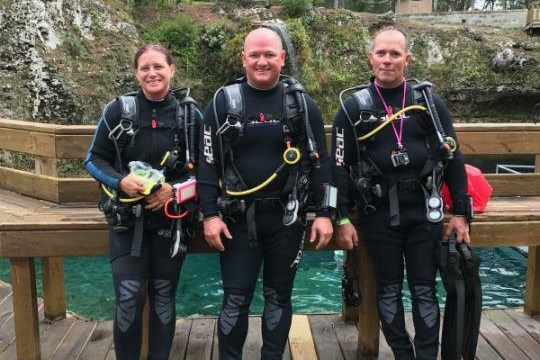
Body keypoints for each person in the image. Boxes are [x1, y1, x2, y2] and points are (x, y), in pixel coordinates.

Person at [331, 28, 471, 360]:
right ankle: (402, 354)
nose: (387, 60)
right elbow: (337, 167)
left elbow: (453, 157)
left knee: (424, 289)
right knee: (389, 288)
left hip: (423, 211)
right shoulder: (353, 108)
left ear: (406, 59)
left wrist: (462, 213)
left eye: (395, 54)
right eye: (381, 53)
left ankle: (425, 355)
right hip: (377, 213)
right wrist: (342, 218)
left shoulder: (429, 103)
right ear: (371, 58)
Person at [197, 27, 334, 359]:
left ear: (282, 58)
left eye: (269, 54)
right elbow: (207, 162)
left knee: (279, 296)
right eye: (255, 55)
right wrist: (211, 215)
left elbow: (322, 164)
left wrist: (328, 214)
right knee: (235, 298)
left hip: (287, 219)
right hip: (237, 220)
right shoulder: (223, 102)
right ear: (243, 58)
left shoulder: (302, 105)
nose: (262, 61)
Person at [85, 44, 200, 360]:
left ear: (171, 69)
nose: (152, 73)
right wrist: (120, 181)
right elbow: (94, 160)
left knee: (163, 297)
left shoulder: (190, 116)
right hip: (127, 220)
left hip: (170, 222)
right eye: (145, 68)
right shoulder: (119, 111)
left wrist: (173, 192)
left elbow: (207, 173)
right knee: (129, 297)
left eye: (159, 67)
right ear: (136, 73)